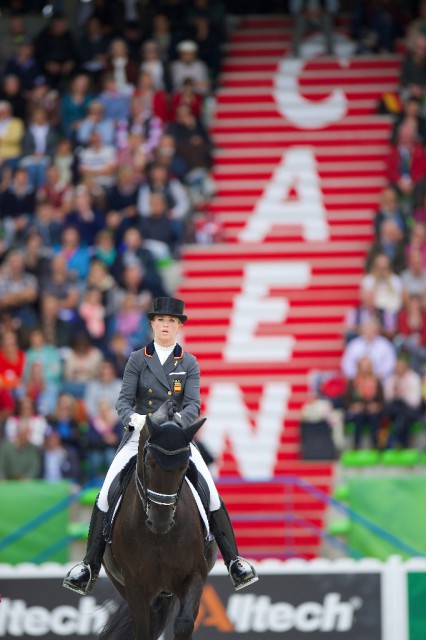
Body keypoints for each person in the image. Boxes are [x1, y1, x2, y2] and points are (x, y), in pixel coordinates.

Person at [63, 297, 258, 595]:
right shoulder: (137, 360)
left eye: (172, 321)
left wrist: (174, 423)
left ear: (179, 326)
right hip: (140, 437)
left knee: (211, 492)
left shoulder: (189, 363)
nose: (166, 325)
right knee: (106, 494)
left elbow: (193, 404)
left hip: (176, 439)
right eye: (161, 321)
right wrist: (138, 421)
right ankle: (88, 566)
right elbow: (123, 401)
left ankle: (234, 561)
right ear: (153, 324)